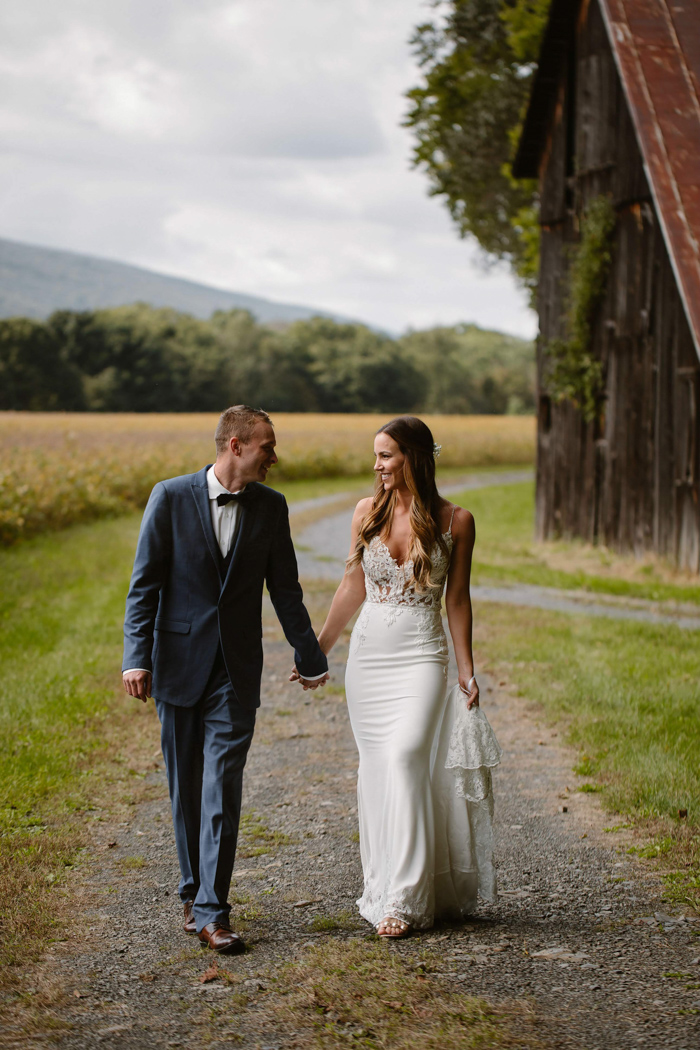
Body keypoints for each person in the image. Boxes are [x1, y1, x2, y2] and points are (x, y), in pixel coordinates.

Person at [122, 405, 328, 954]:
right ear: (235, 445)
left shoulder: (272, 507)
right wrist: (134, 658)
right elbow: (144, 587)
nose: (274, 456)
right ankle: (191, 891)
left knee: (222, 788)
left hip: (235, 672)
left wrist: (310, 655)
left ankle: (214, 909)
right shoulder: (168, 497)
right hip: (176, 664)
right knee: (185, 789)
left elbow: (285, 589)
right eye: (267, 445)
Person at [306, 415, 499, 938]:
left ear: (414, 457)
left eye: (386, 455)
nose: (377, 466)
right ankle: (385, 883)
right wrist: (318, 649)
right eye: (376, 455)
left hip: (421, 657)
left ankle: (408, 899)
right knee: (377, 769)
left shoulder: (457, 520)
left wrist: (467, 671)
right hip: (368, 660)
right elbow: (352, 586)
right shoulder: (366, 512)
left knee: (407, 756)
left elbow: (457, 600)